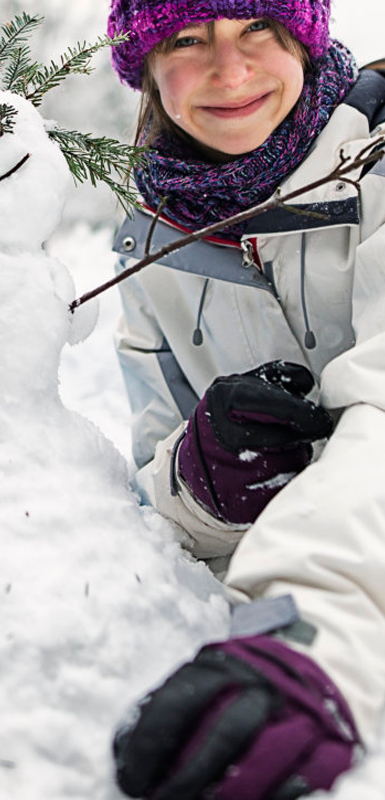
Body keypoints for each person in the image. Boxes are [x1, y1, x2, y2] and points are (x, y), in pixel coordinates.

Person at [106, 0, 385, 796]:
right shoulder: (151, 243)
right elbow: (155, 495)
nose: (229, 71)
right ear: (147, 69)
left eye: (257, 27)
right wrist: (203, 481)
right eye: (187, 40)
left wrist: (309, 644)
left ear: (306, 37)